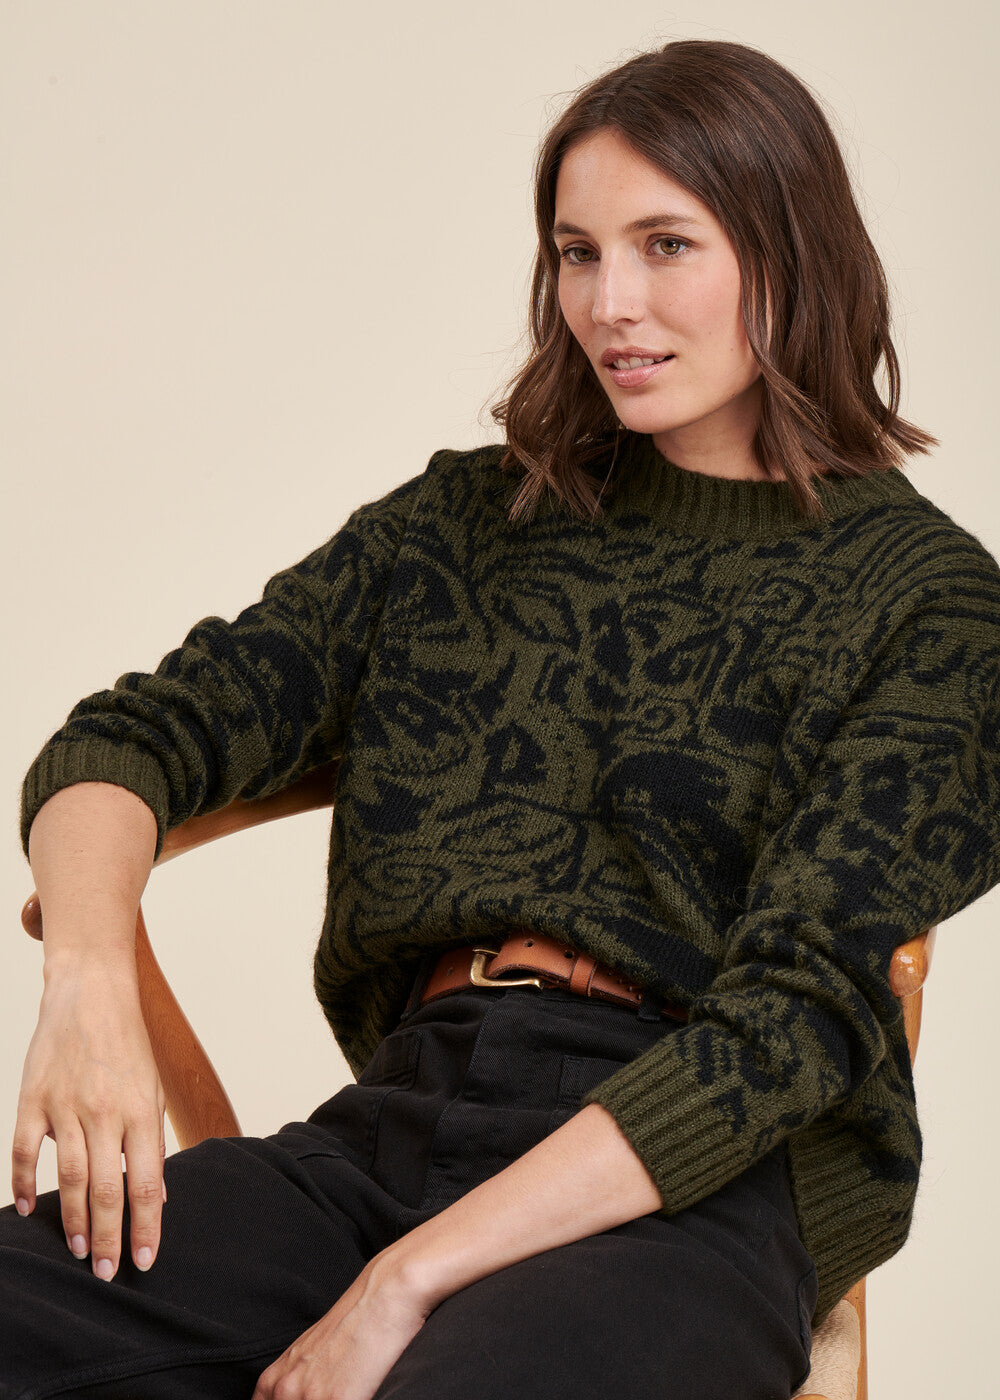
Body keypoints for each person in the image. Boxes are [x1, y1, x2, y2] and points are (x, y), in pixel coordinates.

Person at [5, 36, 1000, 1400]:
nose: (610, 305)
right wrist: (88, 984)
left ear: (792, 255)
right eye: (577, 253)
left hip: (687, 1186)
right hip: (399, 1123)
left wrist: (404, 1282)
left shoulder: (932, 605)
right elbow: (132, 738)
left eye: (666, 245)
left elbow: (791, 1029)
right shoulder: (466, 522)